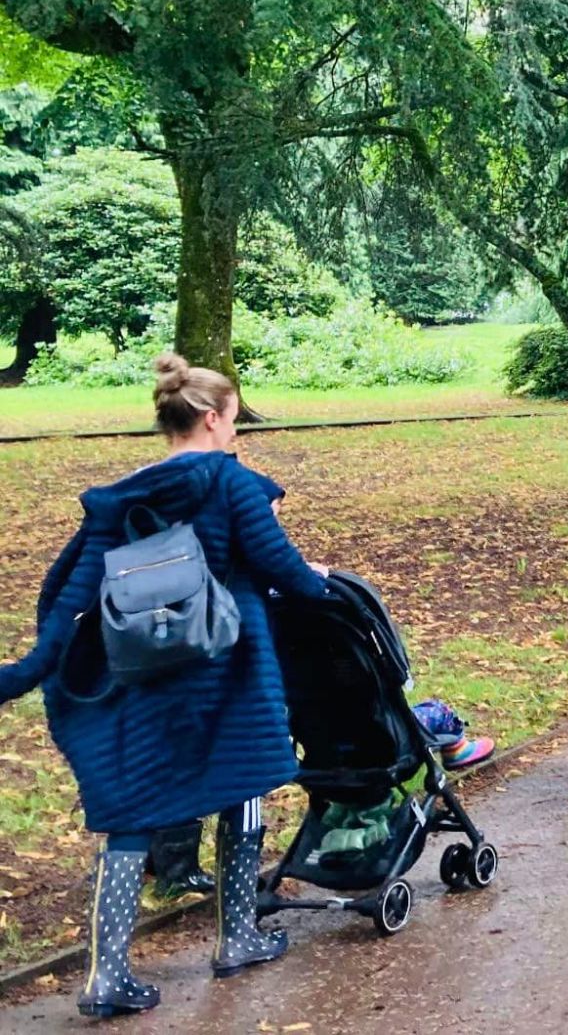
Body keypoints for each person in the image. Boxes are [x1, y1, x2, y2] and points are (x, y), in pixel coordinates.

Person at [0, 354, 330, 1018]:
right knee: (243, 788)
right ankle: (236, 936)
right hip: (232, 670)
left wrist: (24, 672)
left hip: (150, 682)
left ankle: (106, 977)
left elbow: (74, 600)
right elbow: (281, 567)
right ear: (212, 418)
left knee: (134, 812)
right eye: (235, 420)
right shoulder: (231, 485)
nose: (237, 432)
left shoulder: (129, 495)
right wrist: (323, 582)